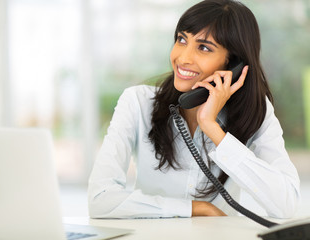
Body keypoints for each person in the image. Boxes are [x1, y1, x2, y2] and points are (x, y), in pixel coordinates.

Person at [88, 0, 300, 219]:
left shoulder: (255, 112)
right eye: (182, 40)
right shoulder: (137, 103)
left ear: (233, 64)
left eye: (204, 47)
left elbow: (285, 205)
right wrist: (195, 209)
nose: (183, 58)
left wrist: (213, 130)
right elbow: (100, 200)